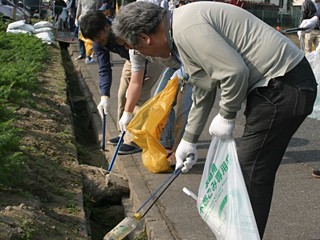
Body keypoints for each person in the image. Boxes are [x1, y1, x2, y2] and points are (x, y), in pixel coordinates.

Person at [111, 1, 318, 238]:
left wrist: (227, 115)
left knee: (250, 171)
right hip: (275, 86)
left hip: (284, 83)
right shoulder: (178, 30)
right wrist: (188, 140)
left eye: (134, 48)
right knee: (249, 170)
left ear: (145, 38)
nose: (140, 55)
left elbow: (233, 72)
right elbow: (204, 87)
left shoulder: (186, 30)